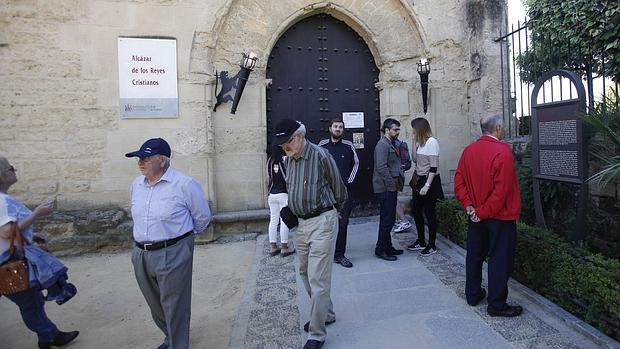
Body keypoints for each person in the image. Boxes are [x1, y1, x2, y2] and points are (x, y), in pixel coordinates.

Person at [125, 138, 212, 349]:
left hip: (173, 250)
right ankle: (170, 336)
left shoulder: (184, 184)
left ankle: (178, 344)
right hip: (141, 253)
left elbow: (202, 217)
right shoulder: (137, 184)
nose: (140, 162)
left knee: (175, 304)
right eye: (139, 158)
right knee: (154, 302)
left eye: (146, 158)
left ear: (162, 160)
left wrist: (183, 241)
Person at [275, 119, 347, 349]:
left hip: (321, 223)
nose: (284, 149)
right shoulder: (289, 159)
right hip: (300, 225)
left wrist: (331, 214)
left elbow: (339, 190)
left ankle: (317, 334)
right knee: (305, 272)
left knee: (318, 278)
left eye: (287, 143)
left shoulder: (321, 156)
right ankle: (327, 313)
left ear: (299, 137)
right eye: (282, 146)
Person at [0, 156, 79, 349]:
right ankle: (49, 336)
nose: (14, 169)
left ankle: (48, 337)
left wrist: (31, 237)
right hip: (8, 261)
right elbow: (6, 232)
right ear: (2, 175)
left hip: (7, 257)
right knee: (30, 302)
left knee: (32, 300)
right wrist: (37, 213)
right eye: (11, 168)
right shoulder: (2, 201)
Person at [454, 114, 523, 317]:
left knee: (474, 255)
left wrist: (470, 207)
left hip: (476, 215)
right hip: (499, 217)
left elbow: (459, 181)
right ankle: (497, 304)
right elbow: (502, 192)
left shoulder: (469, 151)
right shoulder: (502, 152)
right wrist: (480, 212)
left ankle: (473, 294)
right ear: (498, 128)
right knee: (500, 259)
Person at [318, 118, 359, 268]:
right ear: (330, 128)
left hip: (344, 193)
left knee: (343, 224)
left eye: (340, 127)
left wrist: (348, 182)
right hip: (326, 193)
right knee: (325, 223)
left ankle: (339, 254)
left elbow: (356, 163)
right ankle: (325, 252)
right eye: (335, 126)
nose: (338, 129)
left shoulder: (348, 145)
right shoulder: (322, 145)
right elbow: (316, 163)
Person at [407, 117, 444, 256]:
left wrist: (427, 186)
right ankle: (421, 240)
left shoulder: (432, 142)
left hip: (430, 181)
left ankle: (432, 244)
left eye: (414, 129)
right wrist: (413, 141)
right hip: (418, 180)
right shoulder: (421, 142)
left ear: (420, 129)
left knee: (430, 213)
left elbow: (434, 167)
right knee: (416, 211)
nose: (412, 131)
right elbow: (415, 160)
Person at [372, 118, 405, 261]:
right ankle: (380, 249)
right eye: (395, 129)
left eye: (398, 129)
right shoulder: (382, 145)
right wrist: (391, 185)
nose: (398, 132)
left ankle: (388, 246)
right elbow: (381, 167)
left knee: (390, 219)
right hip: (385, 188)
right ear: (387, 130)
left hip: (390, 186)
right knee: (387, 220)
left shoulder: (389, 144)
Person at [266, 144, 295, 257]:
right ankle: (284, 247)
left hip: (272, 194)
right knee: (284, 221)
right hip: (283, 194)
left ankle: (273, 247)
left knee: (273, 220)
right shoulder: (285, 160)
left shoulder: (270, 161)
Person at [393, 138, 413, 233]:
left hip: (394, 174)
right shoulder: (400, 143)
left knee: (393, 198)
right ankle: (399, 220)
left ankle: (404, 221)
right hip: (400, 173)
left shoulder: (392, 144)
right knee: (394, 197)